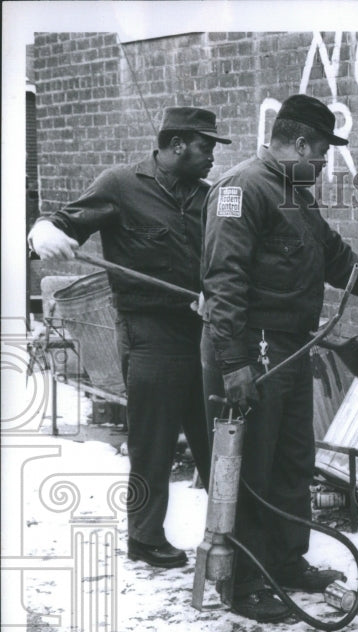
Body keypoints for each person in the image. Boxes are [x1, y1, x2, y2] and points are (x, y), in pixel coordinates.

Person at [201, 94, 358, 623]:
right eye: (323, 154)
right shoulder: (241, 190)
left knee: (291, 462)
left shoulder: (294, 195)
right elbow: (223, 285)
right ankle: (243, 583)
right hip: (252, 348)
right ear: (301, 144)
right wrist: (234, 363)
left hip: (289, 349)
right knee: (253, 468)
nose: (325, 165)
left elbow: (341, 261)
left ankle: (287, 562)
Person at [27, 107, 231, 569]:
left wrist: (215, 292)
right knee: (153, 440)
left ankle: (227, 534)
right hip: (148, 331)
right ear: (177, 144)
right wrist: (44, 232)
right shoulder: (120, 184)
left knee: (214, 436)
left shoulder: (210, 197)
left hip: (203, 330)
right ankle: (144, 537)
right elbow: (63, 221)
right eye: (206, 146)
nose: (212, 156)